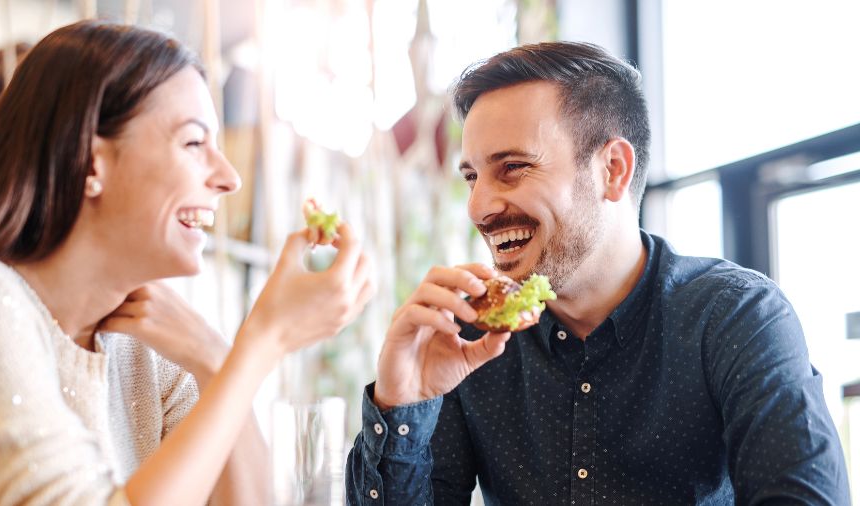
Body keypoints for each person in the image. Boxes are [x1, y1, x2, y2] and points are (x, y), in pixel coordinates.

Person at [0, 21, 374, 506]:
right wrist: (263, 343)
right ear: (90, 160)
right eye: (194, 142)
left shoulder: (144, 346)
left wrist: (217, 362)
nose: (228, 177)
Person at [345, 41, 850, 505]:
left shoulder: (735, 318)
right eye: (473, 177)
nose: (479, 207)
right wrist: (401, 403)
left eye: (513, 167)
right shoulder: (467, 338)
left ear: (612, 170)